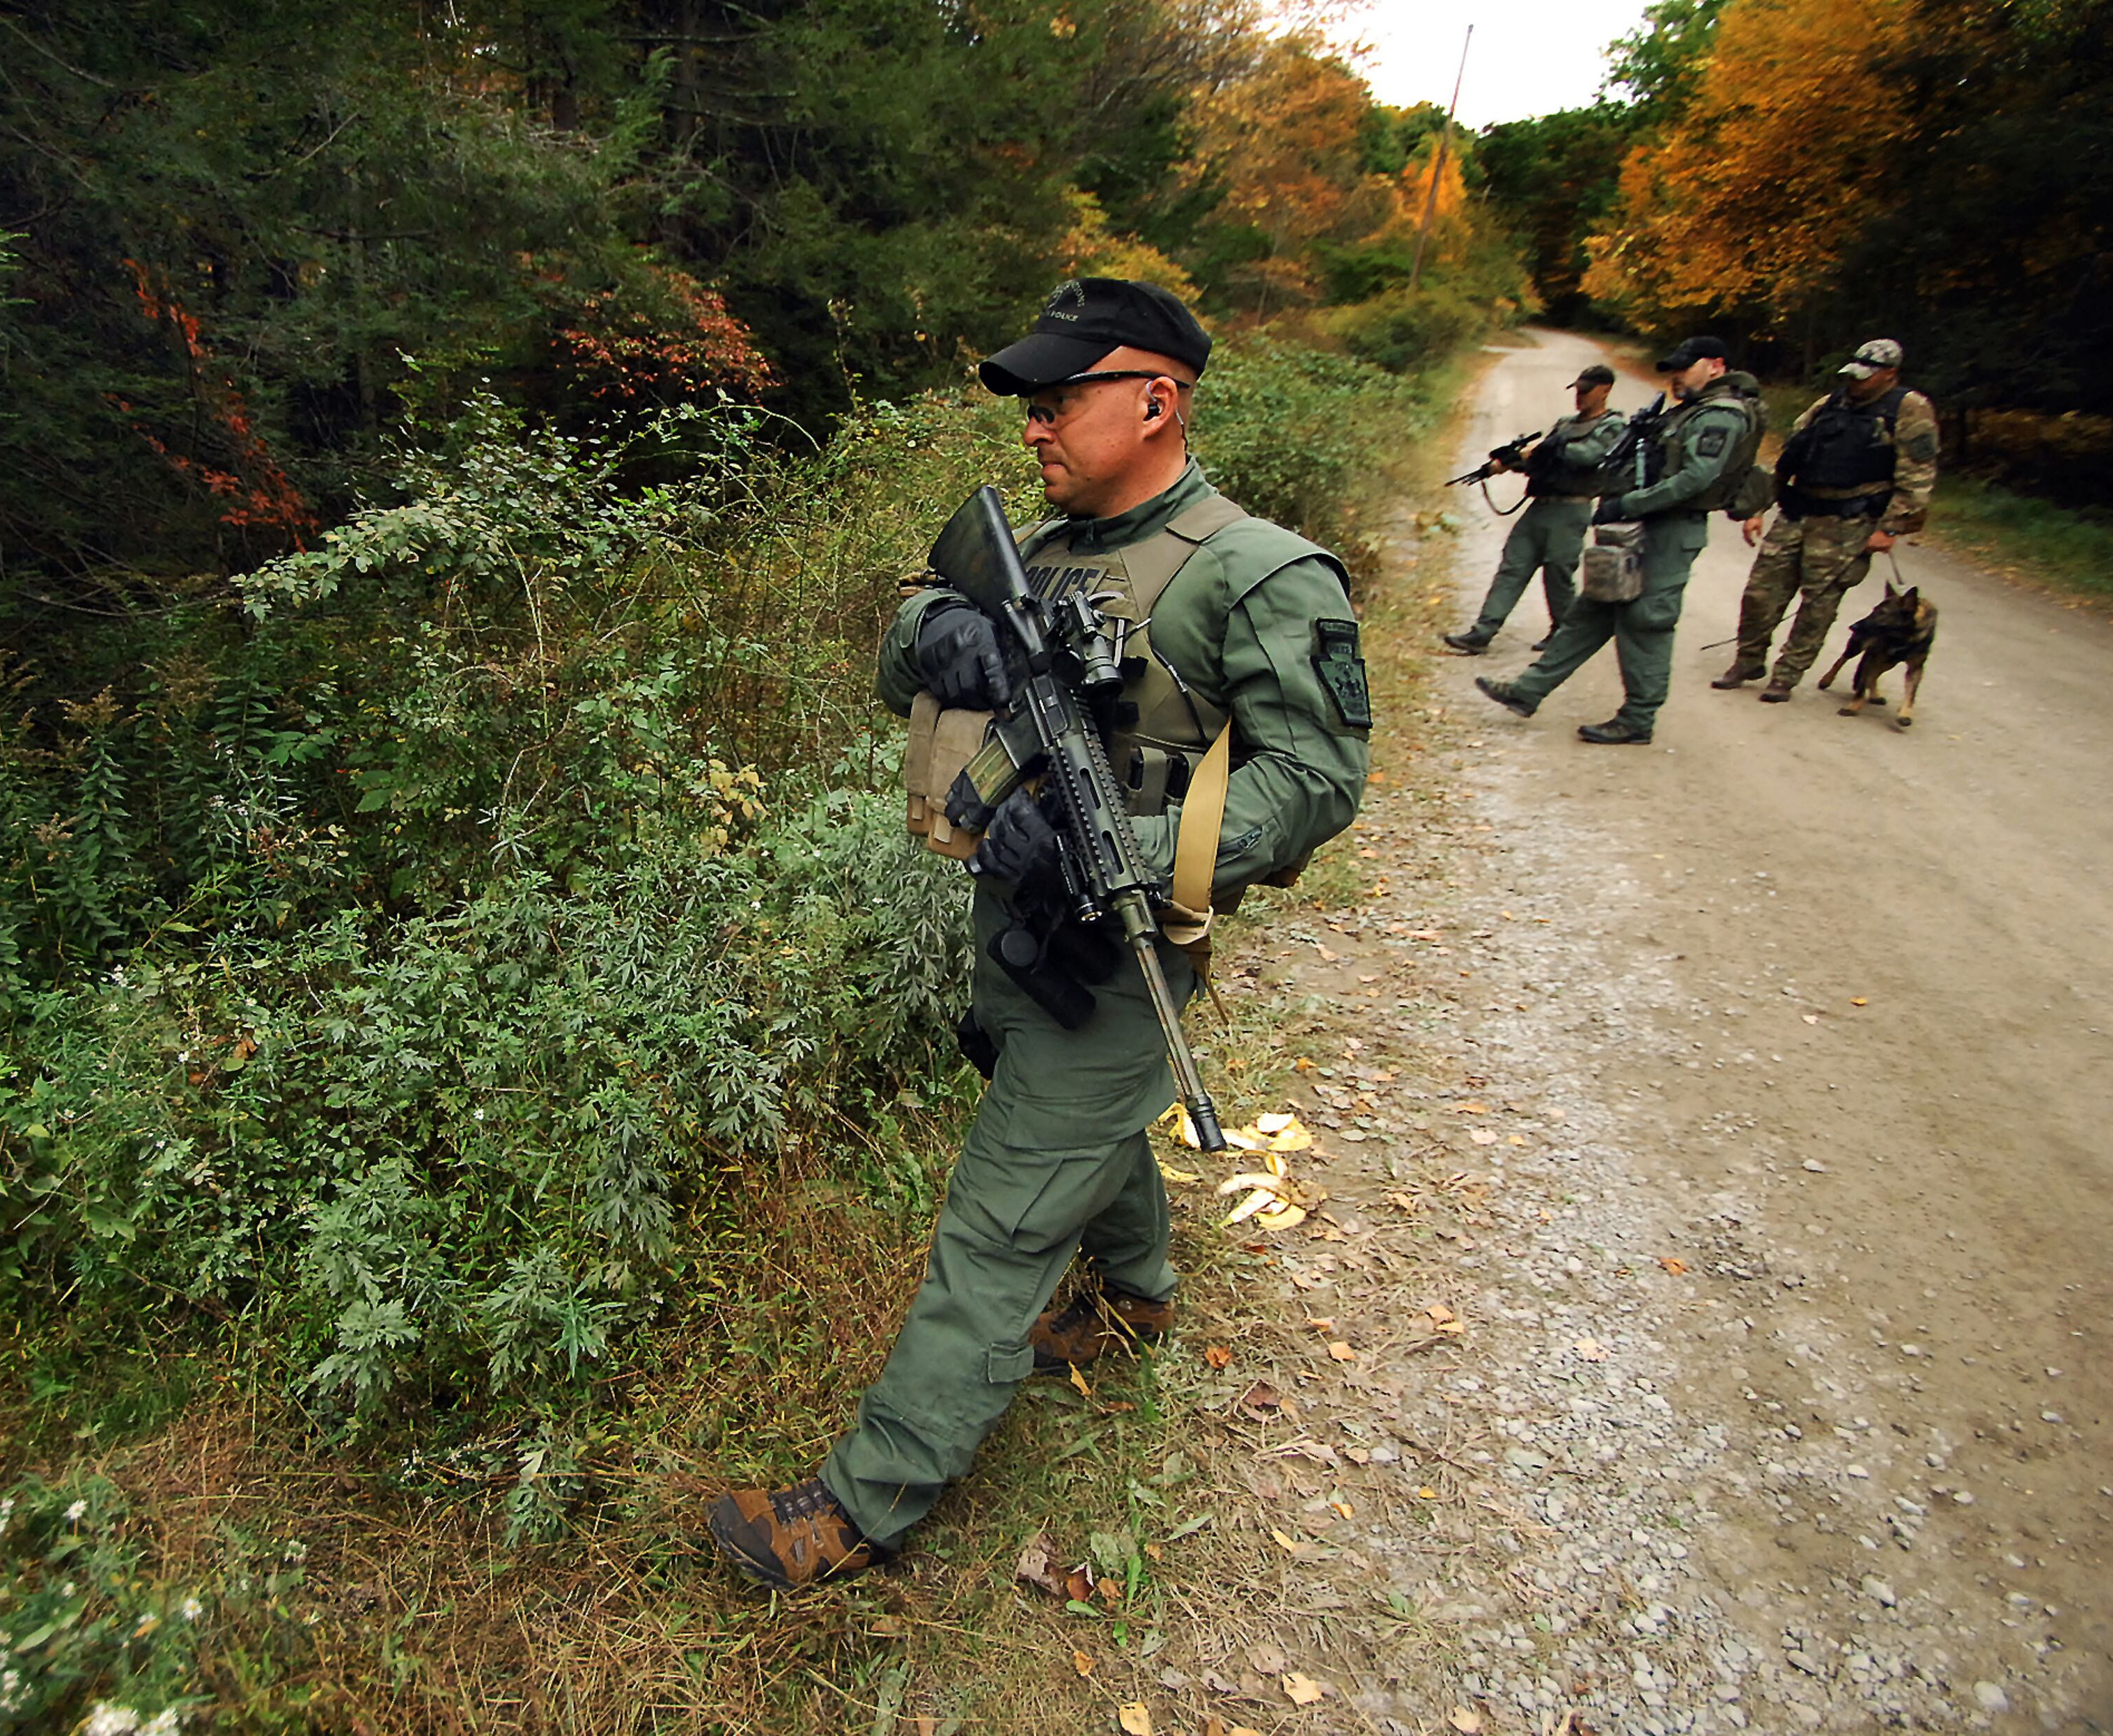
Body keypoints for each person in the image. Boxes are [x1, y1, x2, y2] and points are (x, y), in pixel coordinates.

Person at [703, 278, 1370, 1589]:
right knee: (1060, 1110)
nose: (1033, 428)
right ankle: (1134, 1292)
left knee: (998, 1228)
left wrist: (1114, 848)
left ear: (1157, 401)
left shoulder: (1259, 572)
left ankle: (856, 1506)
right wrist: (934, 627)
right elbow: (905, 640)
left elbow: (1318, 779)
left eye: (1060, 399)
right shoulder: (1048, 550)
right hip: (1009, 937)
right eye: (1032, 403)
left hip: (1119, 953)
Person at [1474, 336, 1762, 745]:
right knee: (1591, 610)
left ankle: (1638, 719)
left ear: (1716, 365)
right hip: (1643, 524)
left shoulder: (1722, 415)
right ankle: (1528, 690)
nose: (1677, 376)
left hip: (1671, 529)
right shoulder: (1689, 411)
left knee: (1647, 621)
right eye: (1674, 369)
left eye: (1686, 367)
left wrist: (1629, 503)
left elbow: (1696, 478)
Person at [1711, 338, 1937, 700]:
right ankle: (1749, 659)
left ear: (1890, 374)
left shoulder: (1909, 409)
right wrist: (1758, 507)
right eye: (1854, 374)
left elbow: (1918, 474)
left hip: (1848, 522)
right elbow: (1791, 456)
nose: (1856, 382)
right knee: (1760, 592)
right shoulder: (1832, 403)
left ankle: (1786, 676)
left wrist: (1891, 527)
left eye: (1866, 376)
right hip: (1800, 508)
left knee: (1818, 604)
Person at [1441, 363, 1626, 655]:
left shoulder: (1613, 427)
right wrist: (1508, 463)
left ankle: (1564, 632)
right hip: (1540, 507)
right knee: (1512, 567)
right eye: (1577, 390)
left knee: (1558, 574)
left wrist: (1543, 450)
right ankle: (1482, 632)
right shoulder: (1566, 424)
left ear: (1605, 390)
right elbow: (1541, 463)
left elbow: (1589, 456)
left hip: (1571, 509)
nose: (1579, 397)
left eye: (1586, 391)